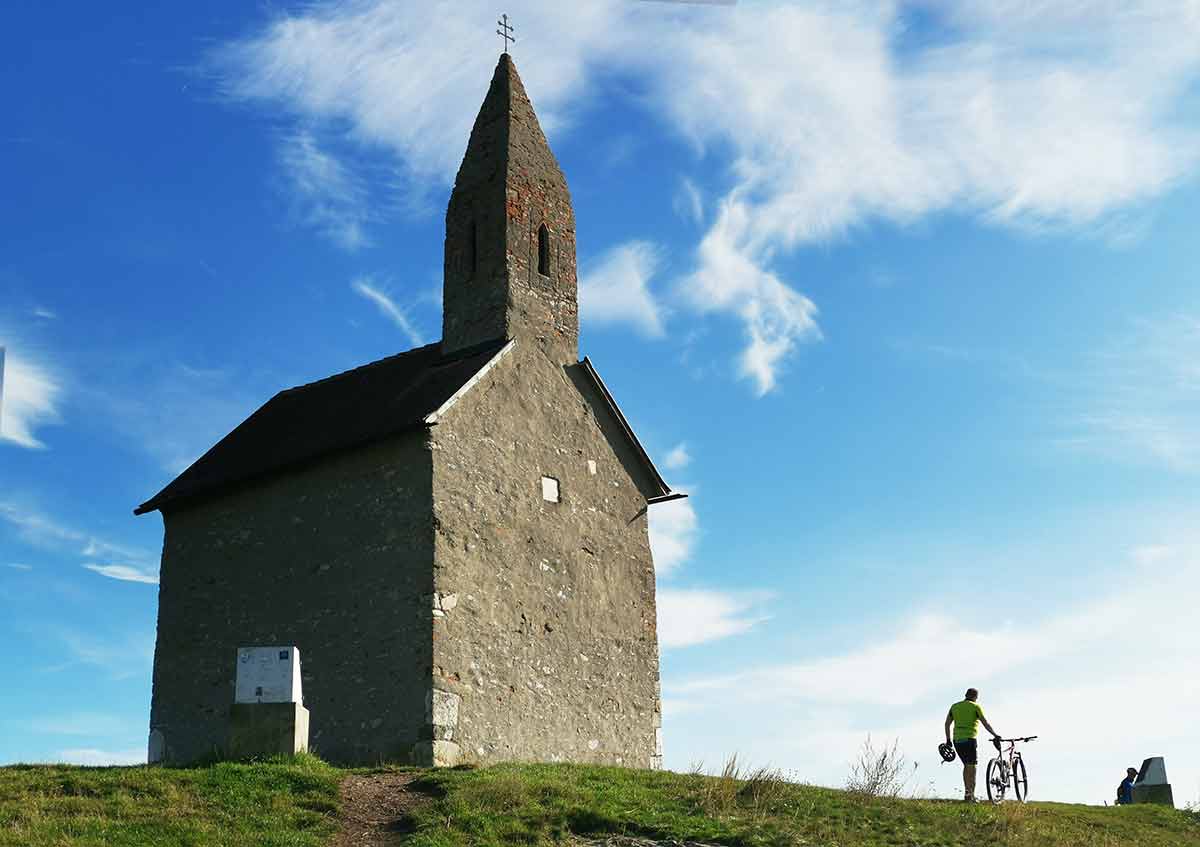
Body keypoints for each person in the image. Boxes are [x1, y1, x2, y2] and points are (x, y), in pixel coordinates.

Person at [944, 687, 1000, 802]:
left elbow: (947, 724)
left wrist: (948, 740)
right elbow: (985, 723)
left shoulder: (955, 706)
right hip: (969, 739)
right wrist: (995, 735)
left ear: (965, 695)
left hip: (957, 740)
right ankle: (971, 796)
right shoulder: (975, 707)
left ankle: (967, 793)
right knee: (972, 767)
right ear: (976, 697)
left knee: (966, 765)